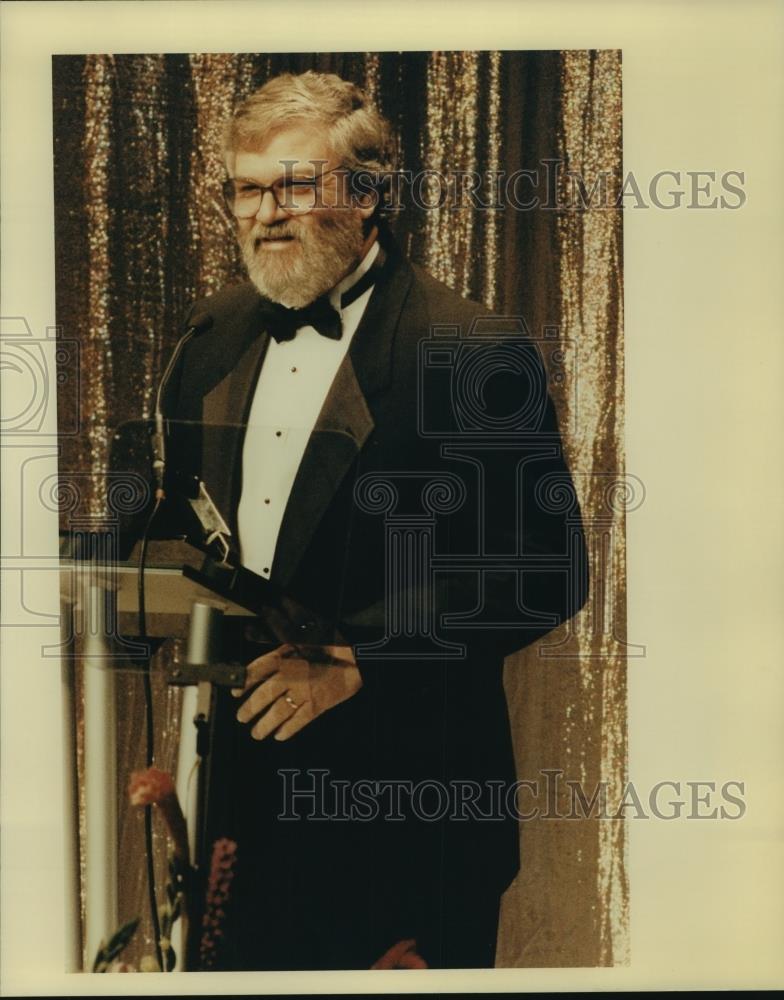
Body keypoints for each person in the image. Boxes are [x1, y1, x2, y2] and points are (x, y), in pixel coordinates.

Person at [159, 70, 588, 971]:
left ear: (370, 194)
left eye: (296, 184)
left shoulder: (472, 350)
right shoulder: (213, 333)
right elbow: (182, 523)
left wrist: (359, 662)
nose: (266, 213)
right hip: (245, 802)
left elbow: (547, 569)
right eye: (246, 188)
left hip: (411, 809)